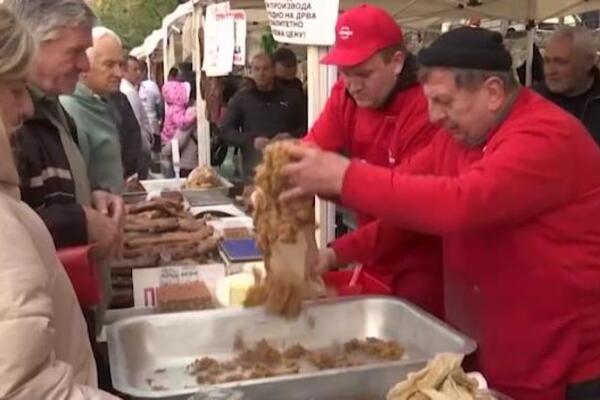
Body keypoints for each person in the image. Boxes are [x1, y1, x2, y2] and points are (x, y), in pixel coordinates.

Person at [281, 27, 600, 399]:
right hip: (492, 348)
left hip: (566, 361)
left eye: (443, 101)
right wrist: (336, 253)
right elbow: (407, 203)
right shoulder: (458, 139)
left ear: (493, 92)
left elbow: (459, 205)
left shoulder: (545, 135)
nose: (433, 117)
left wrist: (345, 175)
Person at [0, 6, 117, 399]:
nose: (85, 64)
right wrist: (76, 220)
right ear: (39, 41)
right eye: (76, 50)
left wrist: (89, 197)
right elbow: (27, 388)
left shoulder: (54, 112)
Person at [303, 4, 443, 317]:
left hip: (422, 260)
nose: (352, 85)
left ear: (396, 62)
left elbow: (410, 211)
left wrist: (337, 252)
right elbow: (310, 149)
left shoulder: (425, 108)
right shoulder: (347, 94)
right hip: (372, 253)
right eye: (344, 73)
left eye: (363, 73)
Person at [219, 53, 307, 182]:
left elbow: (307, 126)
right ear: (251, 71)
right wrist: (251, 141)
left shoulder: (292, 97)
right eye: (257, 69)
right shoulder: (241, 98)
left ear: (273, 70)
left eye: (265, 69)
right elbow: (225, 131)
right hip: (254, 172)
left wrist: (290, 137)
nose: (261, 73)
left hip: (288, 171)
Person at [60, 27, 125, 194]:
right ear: (84, 67)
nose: (118, 73)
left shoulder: (101, 103)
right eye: (109, 65)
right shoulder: (71, 110)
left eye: (120, 64)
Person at [534, 26, 600, 144]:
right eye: (547, 61)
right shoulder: (531, 100)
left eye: (561, 62)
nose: (551, 71)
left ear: (589, 62)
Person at [121, 55, 152, 178]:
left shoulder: (128, 90)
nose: (138, 73)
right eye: (134, 69)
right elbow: (136, 126)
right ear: (124, 71)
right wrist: (147, 147)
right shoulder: (129, 92)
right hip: (139, 153)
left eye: (139, 69)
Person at [161, 70, 196, 144]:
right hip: (170, 139)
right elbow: (182, 123)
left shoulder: (171, 106)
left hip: (167, 137)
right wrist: (192, 117)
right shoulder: (176, 109)